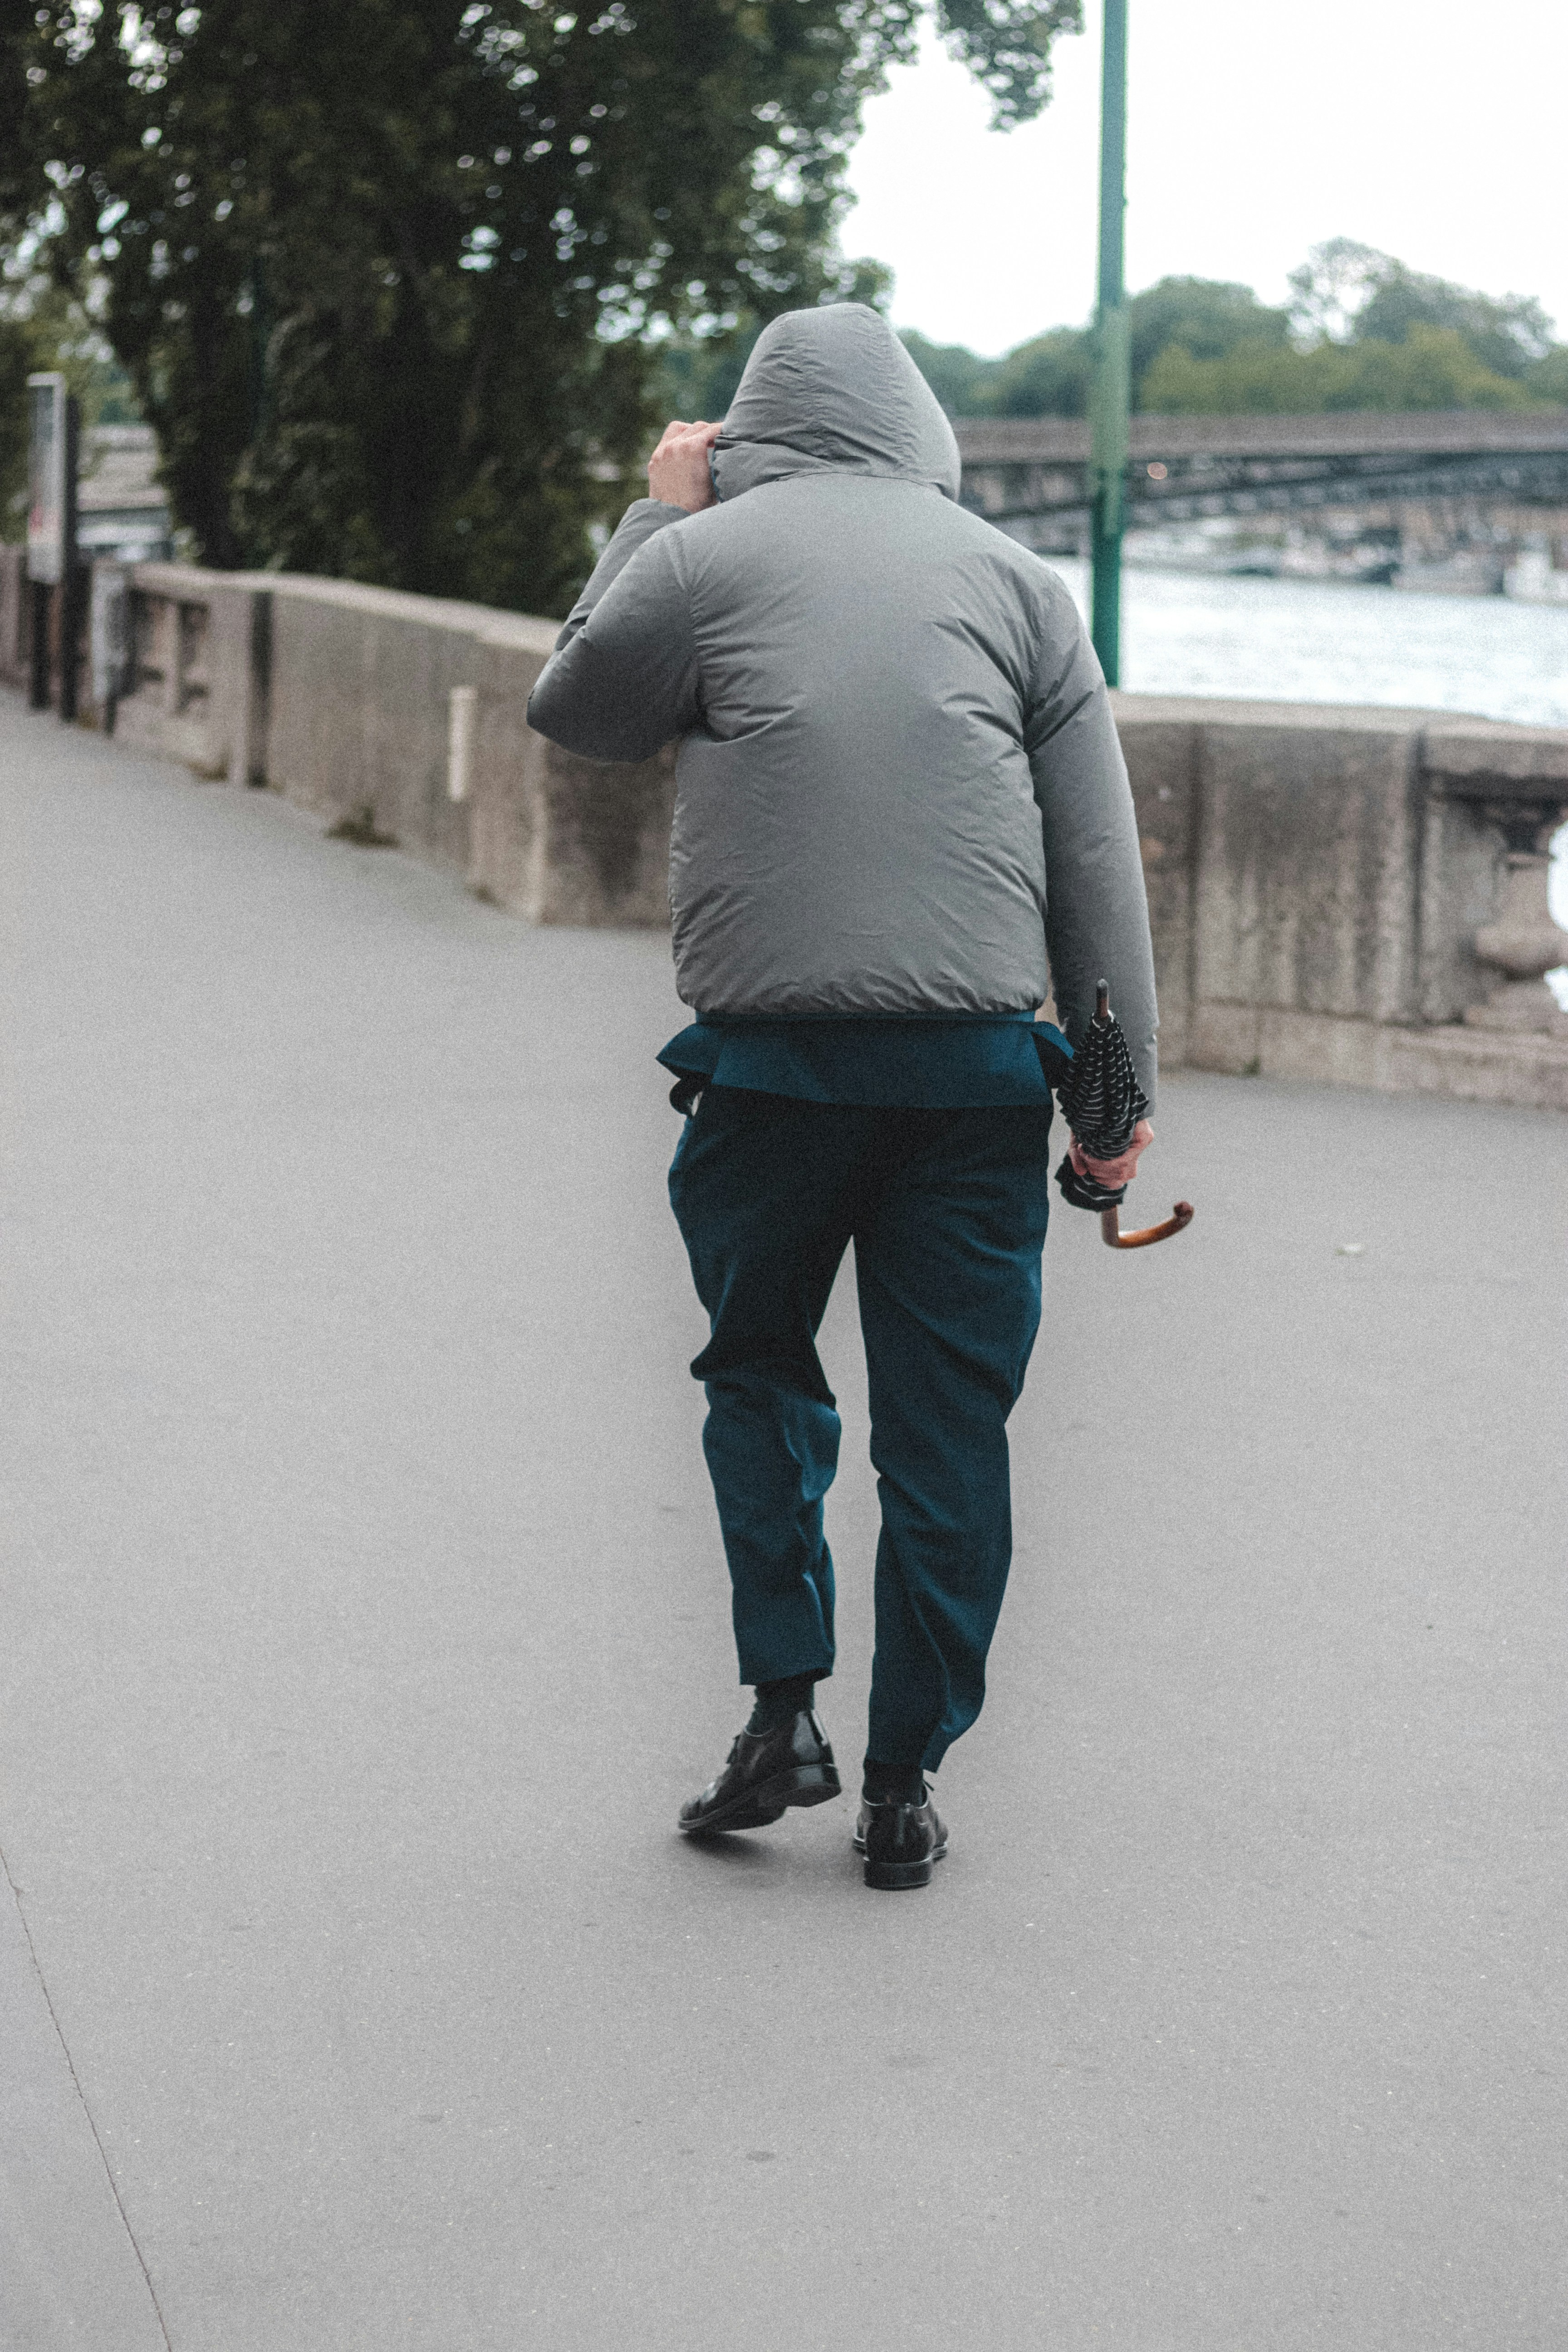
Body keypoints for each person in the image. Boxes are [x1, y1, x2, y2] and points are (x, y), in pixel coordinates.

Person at [527, 304, 1156, 1891]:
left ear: (750, 426)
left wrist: (656, 515)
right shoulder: (1021, 587)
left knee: (759, 1377)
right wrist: (1112, 1096)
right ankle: (901, 1791)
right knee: (952, 1438)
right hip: (971, 1090)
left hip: (771, 1075)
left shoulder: (699, 558)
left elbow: (581, 714)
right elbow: (1094, 865)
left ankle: (782, 1712)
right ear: (919, 424)